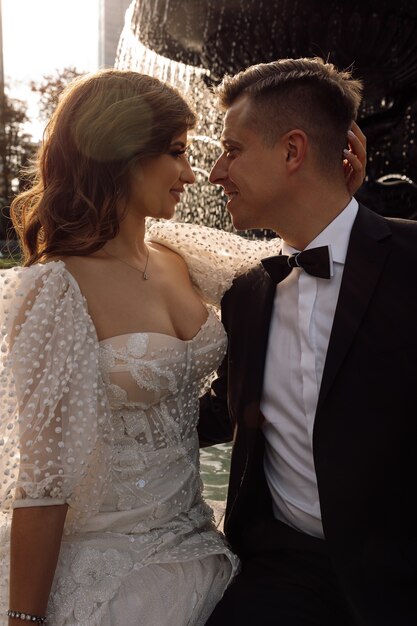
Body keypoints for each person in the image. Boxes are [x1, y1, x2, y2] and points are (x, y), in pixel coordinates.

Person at [0, 67, 365, 626]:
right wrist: (24, 619)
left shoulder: (183, 253)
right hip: (112, 571)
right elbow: (42, 485)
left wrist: (335, 194)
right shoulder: (54, 290)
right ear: (120, 152)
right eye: (176, 152)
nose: (193, 175)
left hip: (210, 547)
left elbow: (299, 256)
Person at [194, 57, 417, 626]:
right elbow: (222, 410)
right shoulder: (246, 290)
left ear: (293, 152)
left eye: (233, 150)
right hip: (283, 566)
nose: (216, 172)